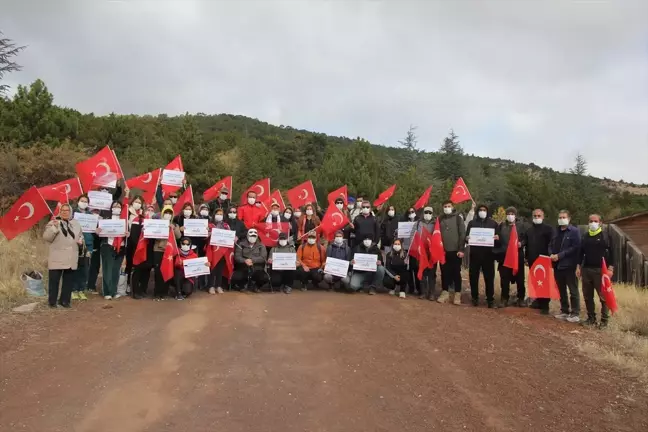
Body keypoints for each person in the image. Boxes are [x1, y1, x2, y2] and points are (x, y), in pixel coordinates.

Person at [132, 205, 181, 300]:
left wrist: (173, 228)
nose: (168, 215)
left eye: (170, 213)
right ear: (162, 213)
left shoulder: (174, 225)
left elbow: (178, 236)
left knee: (167, 271)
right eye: (166, 213)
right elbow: (154, 236)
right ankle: (157, 293)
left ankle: (164, 292)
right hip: (158, 250)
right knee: (158, 272)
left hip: (169, 251)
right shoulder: (157, 224)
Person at [43, 203, 83, 308]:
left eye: (67, 210)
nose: (65, 212)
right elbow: (47, 237)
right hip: (57, 257)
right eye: (63, 210)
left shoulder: (76, 224)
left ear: (71, 212)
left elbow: (80, 236)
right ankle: (52, 302)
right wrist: (54, 228)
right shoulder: (53, 222)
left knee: (68, 281)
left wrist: (80, 241)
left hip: (71, 257)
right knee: (54, 281)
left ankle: (65, 301)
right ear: (60, 212)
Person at [577, 214, 614, 328]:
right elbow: (580, 252)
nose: (593, 223)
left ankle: (604, 321)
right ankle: (591, 318)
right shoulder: (585, 236)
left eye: (595, 221)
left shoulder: (605, 236)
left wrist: (611, 268)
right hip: (586, 269)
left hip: (601, 271)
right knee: (587, 296)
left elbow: (612, 253)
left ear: (600, 222)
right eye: (591, 221)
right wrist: (578, 267)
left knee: (603, 296)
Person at [549, 210, 582, 323]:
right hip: (557, 265)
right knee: (561, 289)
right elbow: (550, 244)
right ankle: (564, 311)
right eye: (560, 217)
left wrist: (560, 255)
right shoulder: (556, 231)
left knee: (573, 290)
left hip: (569, 265)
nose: (561, 219)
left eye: (564, 217)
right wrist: (551, 254)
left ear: (569, 218)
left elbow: (576, 247)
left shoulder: (574, 231)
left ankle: (575, 313)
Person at [465, 204, 498, 308]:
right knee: (473, 277)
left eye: (484, 210)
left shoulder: (493, 223)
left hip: (489, 255)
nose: (482, 211)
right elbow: (466, 237)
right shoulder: (472, 223)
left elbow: (498, 238)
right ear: (477, 211)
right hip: (475, 254)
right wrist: (467, 238)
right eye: (480, 210)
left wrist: (497, 237)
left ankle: (490, 299)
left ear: (487, 211)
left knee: (489, 278)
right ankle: (474, 297)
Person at [97, 199, 129, 300]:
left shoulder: (124, 219)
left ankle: (113, 291)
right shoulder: (105, 219)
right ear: (111, 208)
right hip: (108, 245)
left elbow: (127, 233)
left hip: (121, 247)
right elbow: (99, 231)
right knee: (107, 269)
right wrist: (98, 231)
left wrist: (127, 234)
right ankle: (107, 292)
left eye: (119, 206)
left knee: (116, 270)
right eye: (115, 206)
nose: (117, 208)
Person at [495, 207, 526, 308]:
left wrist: (522, 243)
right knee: (504, 279)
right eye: (508, 213)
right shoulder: (501, 226)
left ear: (515, 215)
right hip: (504, 257)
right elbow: (498, 240)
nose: (510, 215)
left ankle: (521, 298)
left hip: (517, 257)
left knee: (520, 279)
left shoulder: (521, 226)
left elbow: (526, 238)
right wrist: (496, 239)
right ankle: (504, 298)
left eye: (512, 213)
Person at [525, 209, 554, 314]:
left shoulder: (549, 229)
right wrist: (526, 257)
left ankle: (545, 306)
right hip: (532, 259)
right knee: (535, 281)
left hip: (544, 260)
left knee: (544, 282)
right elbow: (527, 245)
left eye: (539, 215)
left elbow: (552, 244)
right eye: (535, 216)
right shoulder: (529, 230)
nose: (537, 217)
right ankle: (538, 301)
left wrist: (550, 256)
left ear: (543, 216)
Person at [409, 206, 435, 299]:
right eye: (426, 212)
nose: (428, 214)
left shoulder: (435, 224)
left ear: (432, 214)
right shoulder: (418, 223)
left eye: (430, 212)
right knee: (422, 271)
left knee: (432, 273)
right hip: (421, 251)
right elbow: (412, 235)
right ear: (423, 213)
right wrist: (415, 247)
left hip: (432, 252)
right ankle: (423, 292)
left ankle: (431, 293)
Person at [72, 194, 94, 301]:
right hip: (76, 244)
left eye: (86, 201)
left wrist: (97, 230)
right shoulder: (73, 213)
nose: (84, 202)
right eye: (82, 200)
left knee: (85, 268)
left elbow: (94, 229)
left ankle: (82, 289)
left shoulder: (91, 215)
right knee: (75, 267)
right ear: (78, 201)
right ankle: (74, 290)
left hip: (88, 244)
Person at [232, 228, 269, 293]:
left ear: (257, 236)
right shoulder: (241, 244)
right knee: (236, 277)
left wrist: (252, 260)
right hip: (243, 267)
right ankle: (242, 286)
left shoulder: (261, 246)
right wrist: (245, 260)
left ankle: (256, 286)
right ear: (247, 236)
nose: (252, 237)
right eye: (251, 236)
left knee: (265, 277)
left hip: (257, 268)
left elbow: (263, 257)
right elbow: (237, 256)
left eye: (254, 236)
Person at [206, 208, 230, 294]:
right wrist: (209, 234)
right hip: (212, 249)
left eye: (221, 214)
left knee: (220, 269)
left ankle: (218, 286)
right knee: (212, 268)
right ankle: (211, 286)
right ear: (214, 215)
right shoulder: (210, 225)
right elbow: (204, 236)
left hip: (223, 251)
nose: (219, 216)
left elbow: (229, 237)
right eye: (217, 214)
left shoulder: (226, 226)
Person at [125, 194, 145, 292]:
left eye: (139, 202)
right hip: (130, 241)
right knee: (129, 263)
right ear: (132, 202)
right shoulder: (128, 212)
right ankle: (127, 283)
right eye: (136, 202)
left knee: (139, 264)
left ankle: (137, 284)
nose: (137, 204)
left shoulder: (143, 214)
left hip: (140, 242)